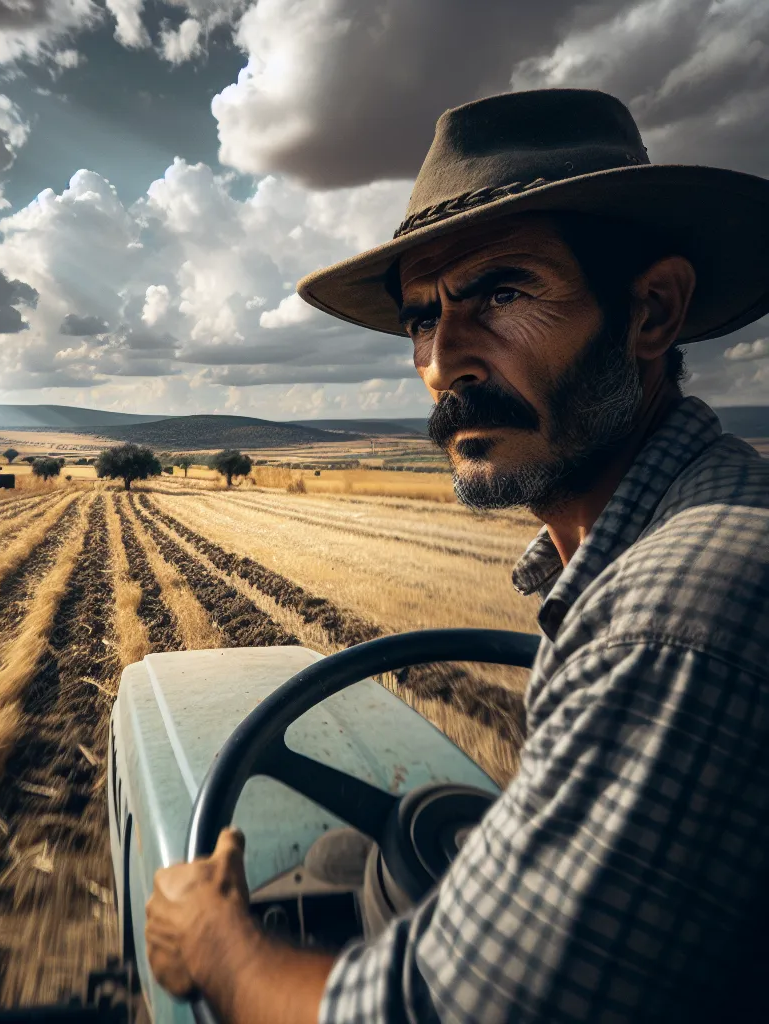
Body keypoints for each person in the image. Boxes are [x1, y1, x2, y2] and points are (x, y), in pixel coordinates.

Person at [144, 88, 769, 1022]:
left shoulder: (674, 617)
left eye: (502, 293)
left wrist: (219, 949)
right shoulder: (678, 529)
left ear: (651, 313)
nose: (445, 362)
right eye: (422, 319)